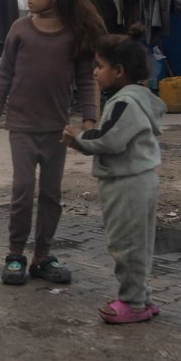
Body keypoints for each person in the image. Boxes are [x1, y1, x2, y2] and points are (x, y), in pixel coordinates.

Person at [0, 0, 106, 286]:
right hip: (21, 127)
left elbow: (86, 78)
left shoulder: (74, 33)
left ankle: (42, 257)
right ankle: (15, 255)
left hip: (57, 130)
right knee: (23, 190)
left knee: (51, 195)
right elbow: (5, 73)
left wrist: (90, 118)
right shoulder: (19, 30)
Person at [62, 23, 166, 324]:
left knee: (126, 243)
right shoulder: (137, 98)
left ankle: (132, 302)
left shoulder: (125, 102)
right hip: (139, 179)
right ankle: (141, 298)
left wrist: (77, 138)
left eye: (99, 66)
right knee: (138, 241)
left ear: (118, 71)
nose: (95, 73)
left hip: (127, 182)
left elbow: (109, 139)